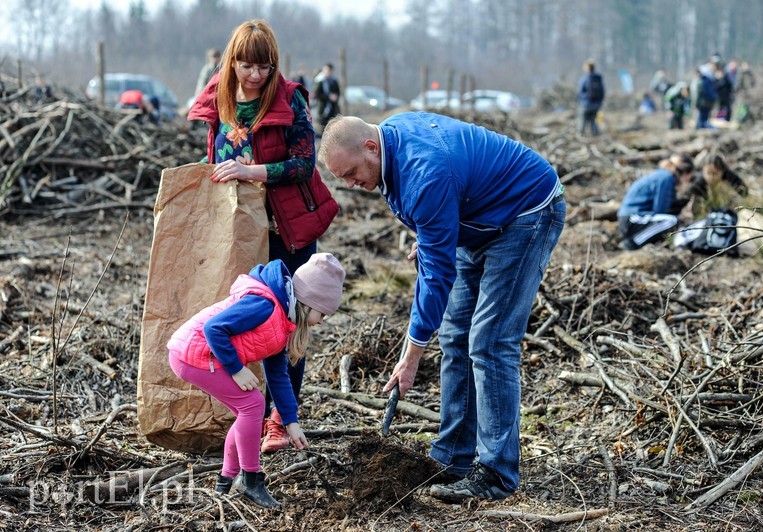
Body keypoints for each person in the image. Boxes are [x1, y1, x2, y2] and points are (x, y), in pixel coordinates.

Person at [318, 113, 565, 503]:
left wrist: (411, 355)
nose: (352, 185)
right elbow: (436, 222)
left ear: (370, 147)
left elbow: (435, 277)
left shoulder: (425, 172)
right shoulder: (391, 145)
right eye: (343, 180)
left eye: (351, 173)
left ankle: (497, 474)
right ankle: (453, 459)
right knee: (454, 336)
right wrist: (437, 234)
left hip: (526, 211)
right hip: (477, 218)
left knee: (490, 341)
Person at [187, 19, 339, 453]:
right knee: (245, 320)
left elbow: (304, 164)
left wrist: (252, 171)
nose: (255, 75)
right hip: (238, 233)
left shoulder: (290, 99)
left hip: (286, 231)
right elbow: (216, 156)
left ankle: (279, 419)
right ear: (232, 61)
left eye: (264, 67)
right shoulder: (220, 99)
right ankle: (241, 411)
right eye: (247, 65)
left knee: (289, 327)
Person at [167, 254, 346, 507]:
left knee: (247, 411)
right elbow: (214, 329)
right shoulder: (264, 306)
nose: (320, 322)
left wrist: (290, 421)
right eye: (323, 313)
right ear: (309, 301)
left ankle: (225, 482)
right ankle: (250, 481)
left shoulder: (284, 321)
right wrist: (237, 369)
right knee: (252, 405)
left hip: (202, 354)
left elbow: (278, 375)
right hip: (193, 353)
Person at [617, 153, 694, 250]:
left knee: (670, 219)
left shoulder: (662, 174)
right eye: (689, 178)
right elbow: (660, 210)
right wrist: (681, 217)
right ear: (685, 173)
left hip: (628, 218)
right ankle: (633, 243)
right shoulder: (667, 177)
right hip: (632, 218)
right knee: (672, 221)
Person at [577, 59, 605, 136]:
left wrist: (581, 101)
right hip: (597, 105)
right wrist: (599, 102)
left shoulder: (584, 78)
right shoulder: (598, 78)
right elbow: (603, 91)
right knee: (594, 120)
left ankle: (581, 135)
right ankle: (594, 134)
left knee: (583, 120)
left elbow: (580, 92)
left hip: (586, 104)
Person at [313, 63, 340, 131]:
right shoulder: (320, 80)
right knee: (323, 128)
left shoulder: (334, 80)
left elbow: (338, 92)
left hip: (333, 108)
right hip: (323, 108)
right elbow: (317, 94)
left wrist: (335, 97)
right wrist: (328, 97)